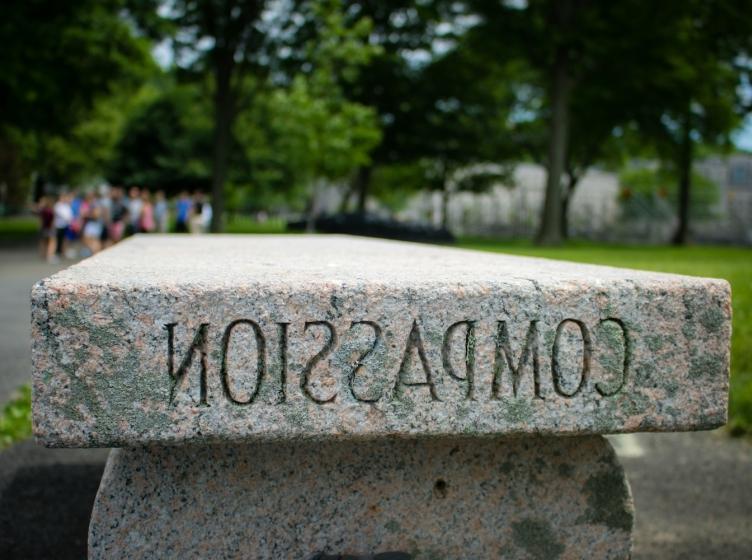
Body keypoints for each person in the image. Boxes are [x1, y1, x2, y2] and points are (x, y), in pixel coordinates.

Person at [53, 192, 73, 259]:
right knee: (58, 240)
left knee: (65, 239)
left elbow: (70, 215)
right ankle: (57, 253)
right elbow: (63, 215)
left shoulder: (66, 205)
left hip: (65, 225)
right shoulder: (57, 205)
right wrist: (68, 219)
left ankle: (63, 252)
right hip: (59, 225)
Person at [36, 196, 56, 262]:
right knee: (52, 242)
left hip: (43, 228)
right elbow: (53, 221)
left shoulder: (42, 211)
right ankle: (50, 255)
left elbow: (40, 220)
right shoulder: (50, 211)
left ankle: (43, 254)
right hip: (49, 228)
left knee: (44, 241)